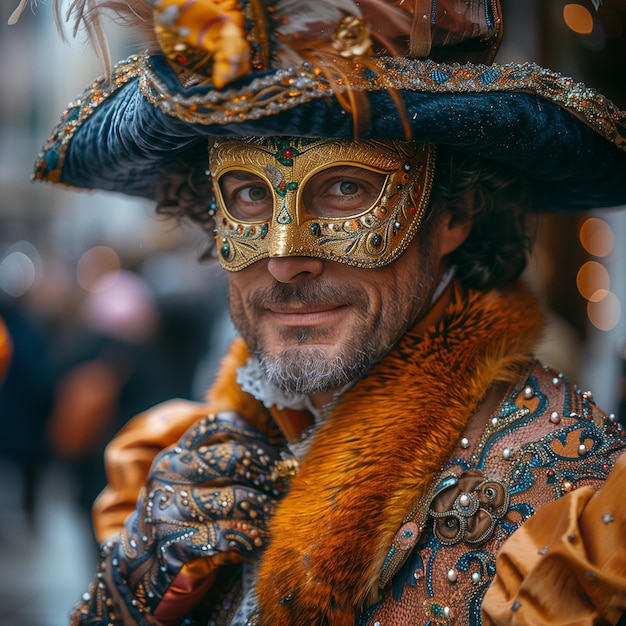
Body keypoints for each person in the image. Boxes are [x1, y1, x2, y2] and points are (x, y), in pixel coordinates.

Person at [13, 0, 626, 624]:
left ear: (454, 214)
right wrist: (134, 592)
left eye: (346, 189)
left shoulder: (571, 506)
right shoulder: (179, 459)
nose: (286, 257)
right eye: (250, 194)